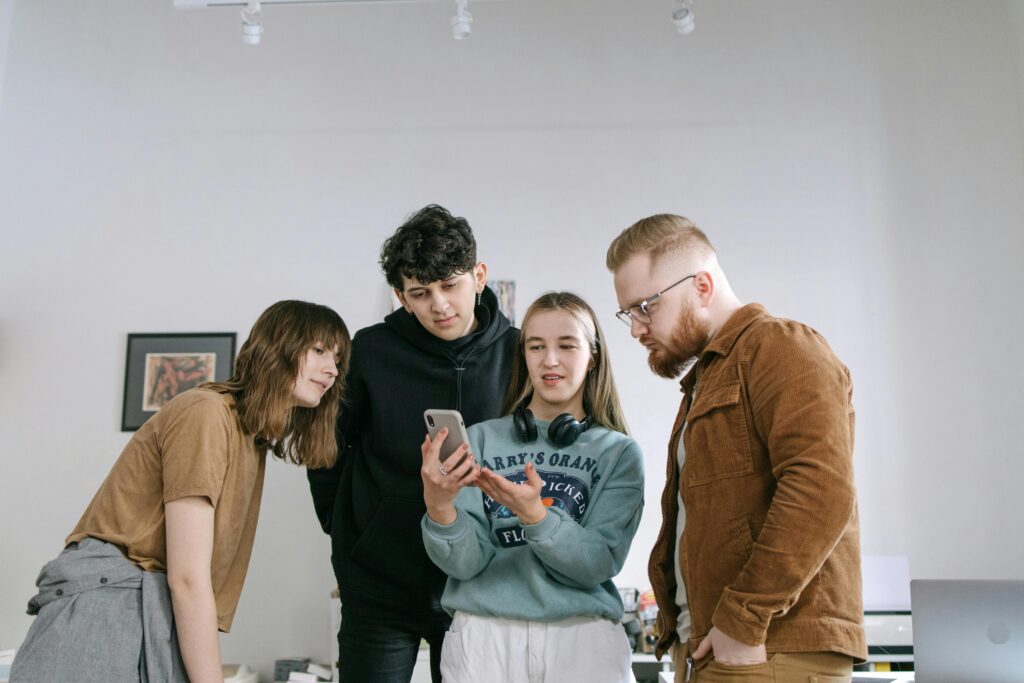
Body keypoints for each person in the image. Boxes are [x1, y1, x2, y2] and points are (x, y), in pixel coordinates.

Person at [11, 300, 351, 683]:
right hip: (109, 602)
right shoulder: (207, 413)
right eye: (319, 350)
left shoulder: (249, 438)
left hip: (147, 605)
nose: (332, 369)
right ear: (276, 347)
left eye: (337, 358)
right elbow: (188, 577)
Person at [606, 214, 866, 682]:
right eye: (629, 313)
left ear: (702, 285)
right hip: (722, 650)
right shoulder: (707, 380)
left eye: (646, 306)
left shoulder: (780, 348)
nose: (636, 329)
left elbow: (822, 490)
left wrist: (742, 620)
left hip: (768, 651)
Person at [307, 205, 518, 683]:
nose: (439, 305)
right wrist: (343, 529)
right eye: (420, 293)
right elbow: (324, 446)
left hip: (478, 584)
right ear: (400, 296)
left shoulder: (520, 354)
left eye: (450, 285)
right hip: (379, 585)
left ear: (479, 276)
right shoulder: (370, 351)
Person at [420, 291, 644, 683]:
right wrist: (439, 506)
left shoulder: (619, 453)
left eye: (567, 345)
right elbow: (465, 564)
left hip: (582, 639)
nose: (550, 360)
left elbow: (597, 563)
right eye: (536, 346)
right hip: (484, 639)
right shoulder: (480, 440)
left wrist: (536, 515)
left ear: (593, 356)